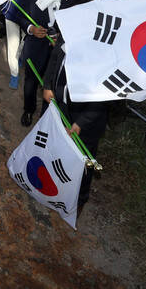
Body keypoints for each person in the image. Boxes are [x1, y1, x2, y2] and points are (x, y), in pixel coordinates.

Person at [11, 0, 87, 126]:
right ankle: (28, 109)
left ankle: (45, 119)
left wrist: (63, 38)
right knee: (31, 81)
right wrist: (31, 29)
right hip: (35, 48)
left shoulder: (74, 0)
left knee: (52, 87)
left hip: (60, 55)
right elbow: (21, 17)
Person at [42, 42, 107, 210]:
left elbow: (103, 100)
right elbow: (55, 57)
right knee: (57, 149)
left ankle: (79, 200)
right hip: (60, 105)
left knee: (82, 164)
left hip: (86, 120)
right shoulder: (69, 27)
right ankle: (53, 185)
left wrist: (79, 124)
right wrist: (48, 86)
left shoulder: (104, 54)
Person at [2, 0, 44, 90]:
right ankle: (14, 74)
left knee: (23, 42)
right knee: (12, 45)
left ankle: (19, 58)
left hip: (28, 16)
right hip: (12, 13)